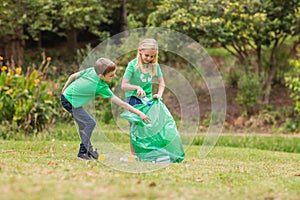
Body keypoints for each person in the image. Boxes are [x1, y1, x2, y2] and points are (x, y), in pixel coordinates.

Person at [61, 58, 149, 160]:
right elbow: (121, 104)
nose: (114, 77)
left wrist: (63, 91)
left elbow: (72, 76)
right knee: (90, 123)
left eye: (114, 74)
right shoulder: (101, 87)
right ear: (101, 76)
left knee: (85, 125)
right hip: (70, 102)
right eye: (111, 75)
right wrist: (139, 113)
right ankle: (82, 153)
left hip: (67, 98)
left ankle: (89, 151)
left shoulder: (91, 70)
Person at [121, 38, 165, 154]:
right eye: (147, 55)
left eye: (152, 56)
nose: (149, 59)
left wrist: (159, 95)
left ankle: (147, 152)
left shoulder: (154, 65)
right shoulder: (132, 65)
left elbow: (162, 82)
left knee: (149, 125)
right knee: (135, 126)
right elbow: (124, 85)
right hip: (133, 99)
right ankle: (134, 155)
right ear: (140, 51)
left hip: (148, 100)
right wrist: (136, 87)